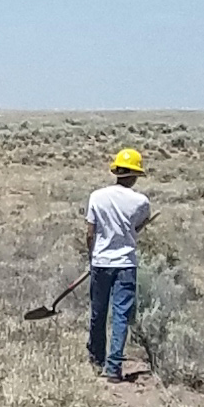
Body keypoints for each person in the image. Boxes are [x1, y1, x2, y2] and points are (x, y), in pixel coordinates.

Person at [84, 147, 153, 384]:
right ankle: (113, 369)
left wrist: (92, 257)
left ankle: (96, 360)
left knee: (98, 312)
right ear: (134, 175)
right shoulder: (141, 201)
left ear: (116, 171)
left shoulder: (96, 196)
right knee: (121, 315)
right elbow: (136, 228)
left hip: (101, 262)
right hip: (125, 263)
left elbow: (90, 232)